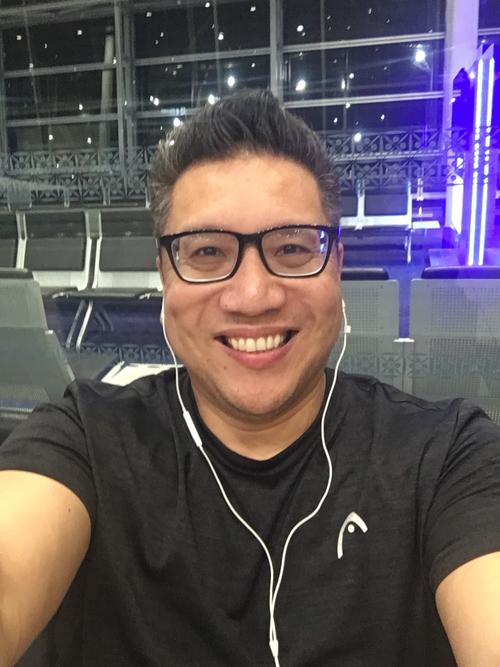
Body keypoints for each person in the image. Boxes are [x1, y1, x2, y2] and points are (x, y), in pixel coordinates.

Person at [1, 90, 500, 667]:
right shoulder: (87, 441)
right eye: (207, 252)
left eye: (290, 248)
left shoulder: (447, 461)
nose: (253, 296)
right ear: (165, 274)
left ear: (337, 266)